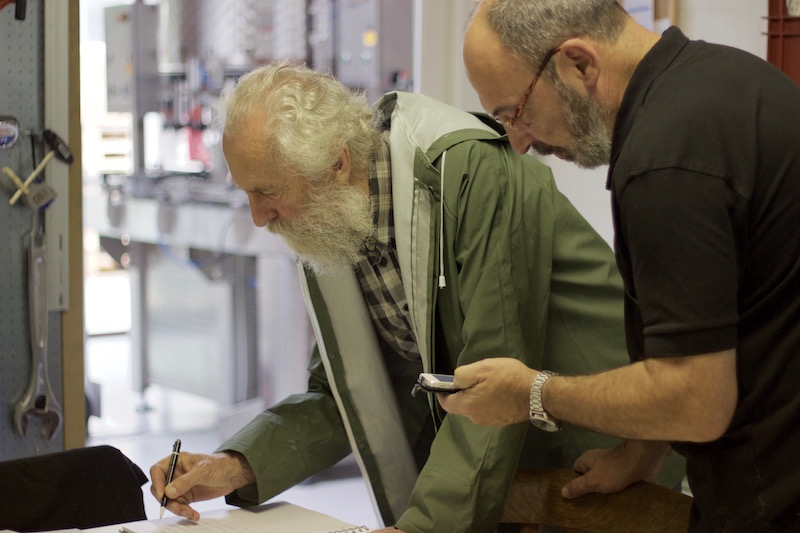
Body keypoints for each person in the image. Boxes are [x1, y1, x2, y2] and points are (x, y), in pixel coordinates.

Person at [148, 60, 684, 533]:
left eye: (266, 192)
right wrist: (237, 464)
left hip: (600, 447)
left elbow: (494, 379)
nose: (257, 218)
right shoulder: (332, 217)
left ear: (336, 162)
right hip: (499, 471)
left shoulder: (468, 173)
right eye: (246, 192)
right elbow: (346, 393)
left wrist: (423, 528)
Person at [441, 0, 800, 530]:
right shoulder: (731, 80)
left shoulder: (664, 164)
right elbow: (721, 318)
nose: (519, 141)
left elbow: (695, 399)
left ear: (579, 64)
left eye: (514, 111)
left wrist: (532, 393)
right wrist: (640, 453)